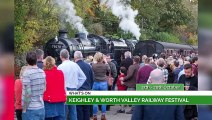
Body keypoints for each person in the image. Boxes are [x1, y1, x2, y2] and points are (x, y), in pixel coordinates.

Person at [58, 49, 86, 120]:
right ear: (69, 56)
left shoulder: (60, 67)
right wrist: (77, 85)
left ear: (61, 57)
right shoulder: (75, 65)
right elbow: (83, 77)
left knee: (64, 111)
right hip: (73, 89)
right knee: (73, 111)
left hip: (63, 90)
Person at [22, 51, 46, 120]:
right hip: (41, 107)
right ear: (36, 59)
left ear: (27, 60)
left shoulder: (27, 73)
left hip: (30, 109)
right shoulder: (42, 72)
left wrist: (24, 109)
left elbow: (28, 93)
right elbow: (44, 89)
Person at [74, 51, 94, 120]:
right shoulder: (88, 66)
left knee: (79, 111)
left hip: (78, 90)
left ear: (75, 57)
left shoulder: (74, 66)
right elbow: (92, 79)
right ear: (81, 57)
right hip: (87, 90)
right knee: (86, 111)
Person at [92, 52, 111, 120]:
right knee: (103, 100)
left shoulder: (93, 65)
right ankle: (103, 115)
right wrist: (105, 62)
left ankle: (94, 115)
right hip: (103, 83)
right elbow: (109, 70)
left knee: (95, 100)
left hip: (95, 83)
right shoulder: (105, 65)